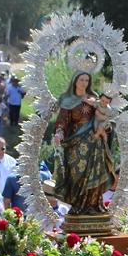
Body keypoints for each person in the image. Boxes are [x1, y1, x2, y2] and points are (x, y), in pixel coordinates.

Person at [53, 71, 116, 215]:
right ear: (75, 80)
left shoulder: (95, 99)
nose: (84, 83)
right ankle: (77, 205)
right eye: (81, 79)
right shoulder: (67, 100)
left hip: (94, 141)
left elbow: (104, 117)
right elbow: (62, 121)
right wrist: (59, 132)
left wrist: (106, 126)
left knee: (96, 171)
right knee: (76, 174)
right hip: (75, 143)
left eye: (87, 80)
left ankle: (93, 205)